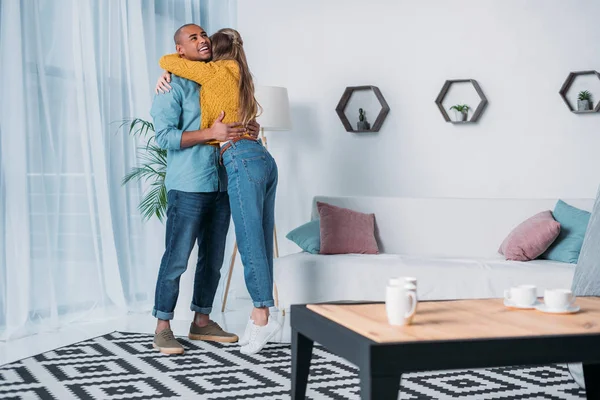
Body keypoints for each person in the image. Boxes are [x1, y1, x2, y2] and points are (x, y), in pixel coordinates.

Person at [156, 27, 280, 355]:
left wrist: (248, 126)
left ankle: (202, 321)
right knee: (177, 258)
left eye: (204, 35)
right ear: (181, 50)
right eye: (194, 38)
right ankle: (163, 326)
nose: (203, 40)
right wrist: (210, 132)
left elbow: (237, 117)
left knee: (213, 260)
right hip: (189, 184)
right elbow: (164, 137)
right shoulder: (172, 85)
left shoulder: (220, 76)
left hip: (223, 181)